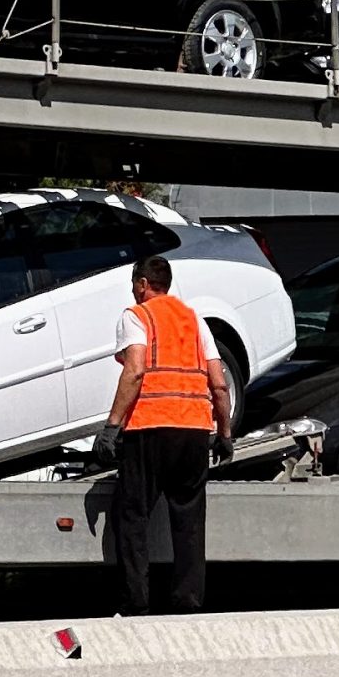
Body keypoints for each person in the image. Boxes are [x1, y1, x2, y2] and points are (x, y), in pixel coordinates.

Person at [98, 254, 232, 614]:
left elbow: (136, 370)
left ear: (143, 284)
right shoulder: (195, 321)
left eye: (133, 285)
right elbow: (219, 385)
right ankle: (187, 603)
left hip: (150, 429)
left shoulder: (136, 316)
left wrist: (112, 426)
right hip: (193, 432)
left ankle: (135, 604)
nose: (132, 291)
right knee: (189, 522)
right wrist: (225, 432)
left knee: (133, 516)